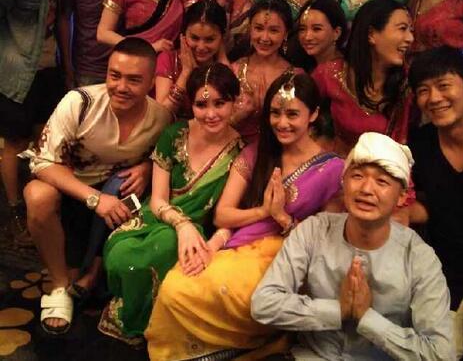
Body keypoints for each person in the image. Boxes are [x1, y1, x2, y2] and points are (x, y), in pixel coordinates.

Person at [146, 73, 344, 361]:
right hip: (236, 244)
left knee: (210, 293)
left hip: (289, 257)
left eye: (292, 114)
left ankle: (248, 342)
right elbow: (223, 215)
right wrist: (263, 212)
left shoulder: (333, 170)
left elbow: (327, 243)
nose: (282, 123)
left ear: (313, 114)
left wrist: (283, 218)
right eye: (275, 113)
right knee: (176, 286)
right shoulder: (257, 153)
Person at [251, 132, 454, 361]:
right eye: (357, 176)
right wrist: (337, 311)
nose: (366, 189)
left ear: (402, 196)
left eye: (382, 181)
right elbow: (263, 304)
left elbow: (441, 353)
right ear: (343, 182)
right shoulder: (314, 231)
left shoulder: (418, 257)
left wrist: (368, 320)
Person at [24, 38, 171, 335]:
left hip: (118, 194)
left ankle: (96, 275)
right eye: (115, 75)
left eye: (134, 80)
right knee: (37, 195)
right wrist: (95, 198)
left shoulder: (161, 118)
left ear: (150, 83)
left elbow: (167, 156)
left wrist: (146, 166)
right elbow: (41, 162)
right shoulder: (80, 102)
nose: (121, 87)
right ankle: (59, 286)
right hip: (71, 189)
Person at [99, 63, 242, 345]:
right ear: (192, 105)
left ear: (234, 102)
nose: (211, 113)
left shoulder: (240, 153)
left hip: (198, 232)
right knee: (120, 254)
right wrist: (181, 224)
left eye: (220, 103)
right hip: (157, 217)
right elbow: (157, 199)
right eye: (201, 104)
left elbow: (226, 216)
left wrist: (210, 241)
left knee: (165, 248)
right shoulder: (175, 134)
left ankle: (152, 321)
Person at [0, 0, 80, 244]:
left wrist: (69, 69)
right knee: (14, 141)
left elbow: (62, 19)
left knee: (43, 140)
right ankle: (15, 211)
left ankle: (38, 206)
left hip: (50, 68)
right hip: (16, 72)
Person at [409, 46, 463, 359]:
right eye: (423, 90)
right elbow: (427, 204)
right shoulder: (420, 146)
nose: (433, 98)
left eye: (444, 85)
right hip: (445, 279)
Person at [312, 0, 413, 159]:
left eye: (410, 30)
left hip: (384, 169)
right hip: (335, 166)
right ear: (371, 34)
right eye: (402, 29)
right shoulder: (330, 74)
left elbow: (402, 146)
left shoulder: (407, 85)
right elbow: (300, 115)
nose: (410, 38)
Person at [231, 0, 298, 142]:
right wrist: (238, 116)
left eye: (273, 30)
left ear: (286, 33)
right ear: (250, 28)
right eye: (259, 28)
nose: (264, 38)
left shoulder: (296, 78)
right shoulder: (234, 71)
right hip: (232, 148)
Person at [155, 0, 228, 119]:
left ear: (222, 38)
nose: (201, 47)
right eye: (194, 38)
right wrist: (186, 72)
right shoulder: (168, 59)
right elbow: (161, 115)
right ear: (183, 36)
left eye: (209, 39)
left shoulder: (224, 66)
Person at [290, 0, 348, 73]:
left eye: (317, 29)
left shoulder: (337, 71)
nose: (307, 37)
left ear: (336, 33)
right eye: (302, 29)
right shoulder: (308, 66)